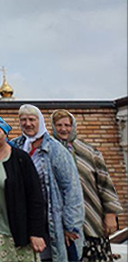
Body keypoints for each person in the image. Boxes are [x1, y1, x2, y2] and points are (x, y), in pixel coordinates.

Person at [11, 104, 84, 262]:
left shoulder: (55, 150)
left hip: (52, 223)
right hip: (25, 221)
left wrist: (71, 226)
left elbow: (71, 189)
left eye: (32, 119)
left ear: (40, 121)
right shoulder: (15, 147)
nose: (28, 124)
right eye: (23, 120)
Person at [51, 109, 124, 262]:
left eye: (67, 125)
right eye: (59, 125)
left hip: (92, 219)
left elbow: (105, 184)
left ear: (73, 126)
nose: (63, 129)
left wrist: (110, 214)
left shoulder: (89, 152)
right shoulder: (49, 151)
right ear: (53, 126)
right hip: (62, 222)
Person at [0, 115, 47, 262]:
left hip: (15, 230)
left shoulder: (20, 158)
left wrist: (36, 232)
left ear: (5, 133)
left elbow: (35, 196)